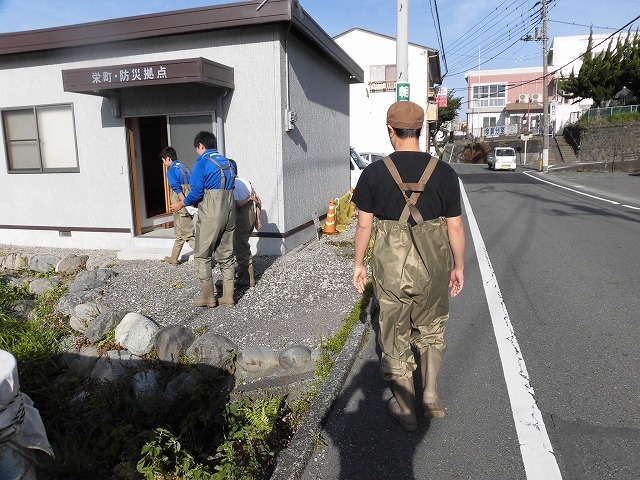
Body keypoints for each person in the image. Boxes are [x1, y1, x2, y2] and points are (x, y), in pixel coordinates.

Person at [351, 101, 466, 431]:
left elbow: (363, 227)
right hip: (435, 266)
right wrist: (459, 267)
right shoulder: (444, 172)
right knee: (432, 328)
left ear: (391, 131)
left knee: (394, 334)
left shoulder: (373, 173)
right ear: (422, 130)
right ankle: (430, 395)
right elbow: (455, 227)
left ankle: (406, 408)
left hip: (392, 267)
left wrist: (358, 264)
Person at [170, 131, 237, 308]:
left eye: (197, 149)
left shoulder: (202, 163)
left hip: (212, 212)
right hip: (230, 209)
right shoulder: (228, 163)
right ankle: (228, 297)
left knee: (202, 255)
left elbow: (197, 192)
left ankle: (208, 298)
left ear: (201, 146)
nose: (197, 153)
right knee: (226, 254)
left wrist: (181, 204)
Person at [229, 159, 262, 287]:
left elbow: (237, 203)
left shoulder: (233, 183)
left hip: (240, 219)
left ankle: (249, 279)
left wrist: (248, 198)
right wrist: (258, 219)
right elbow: (259, 201)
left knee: (241, 248)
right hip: (250, 218)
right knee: (241, 245)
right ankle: (243, 271)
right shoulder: (247, 182)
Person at [160, 147, 196, 265]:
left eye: (164, 161)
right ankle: (174, 258)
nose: (164, 163)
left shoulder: (171, 171)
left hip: (180, 204)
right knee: (180, 234)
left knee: (189, 234)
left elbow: (176, 189)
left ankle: (204, 259)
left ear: (168, 159)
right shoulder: (185, 168)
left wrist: (183, 204)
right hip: (189, 202)